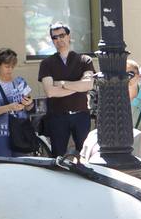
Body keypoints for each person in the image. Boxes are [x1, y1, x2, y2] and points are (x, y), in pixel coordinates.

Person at [37, 22, 96, 158]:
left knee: (85, 155)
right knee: (58, 156)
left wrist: (62, 83)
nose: (59, 40)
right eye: (55, 37)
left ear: (69, 36)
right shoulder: (47, 63)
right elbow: (50, 92)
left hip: (81, 115)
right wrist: (77, 86)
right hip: (57, 116)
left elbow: (88, 85)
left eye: (62, 35)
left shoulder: (84, 60)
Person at [0, 48, 34, 157]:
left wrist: (29, 103)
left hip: (20, 131)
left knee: (22, 166)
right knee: (5, 167)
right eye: (7, 66)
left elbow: (30, 108)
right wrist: (9, 107)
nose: (10, 70)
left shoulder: (20, 82)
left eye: (12, 67)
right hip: (0, 134)